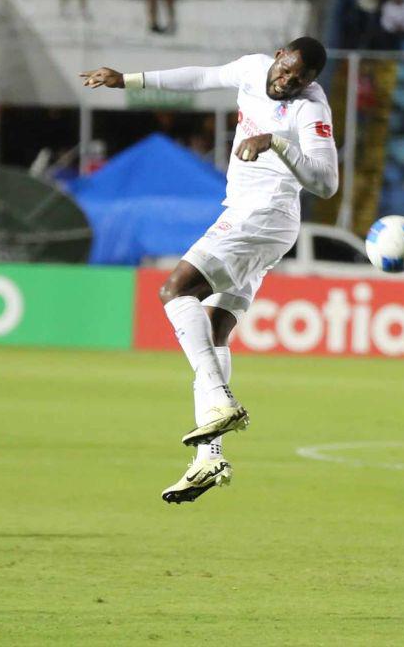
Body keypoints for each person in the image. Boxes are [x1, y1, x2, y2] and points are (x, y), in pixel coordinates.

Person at [80, 37, 338, 504]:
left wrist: (276, 141)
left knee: (175, 290)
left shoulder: (310, 109)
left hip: (263, 216)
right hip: (250, 216)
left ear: (311, 81)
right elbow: (200, 76)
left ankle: (222, 402)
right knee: (215, 331)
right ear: (280, 55)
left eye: (300, 79)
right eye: (288, 71)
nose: (289, 82)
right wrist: (130, 81)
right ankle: (207, 458)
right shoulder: (252, 69)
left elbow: (327, 182)